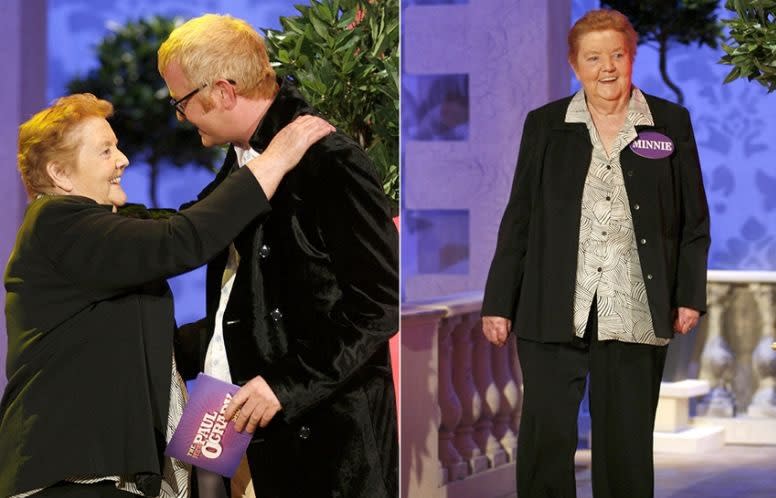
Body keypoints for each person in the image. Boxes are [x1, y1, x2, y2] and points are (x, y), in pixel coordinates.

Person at [0, 93, 333, 498]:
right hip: (71, 477)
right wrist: (275, 158)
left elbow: (149, 344)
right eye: (106, 151)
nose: (122, 160)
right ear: (60, 174)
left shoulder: (91, 247)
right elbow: (183, 238)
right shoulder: (57, 222)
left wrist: (252, 333)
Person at [157, 13, 399, 498]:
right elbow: (195, 227)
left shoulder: (330, 161)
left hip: (327, 437)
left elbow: (378, 304)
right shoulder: (247, 155)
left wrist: (284, 386)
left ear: (223, 92)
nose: (179, 117)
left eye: (181, 103)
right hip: (250, 429)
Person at [481, 9, 710, 498]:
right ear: (574, 65)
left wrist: (688, 294)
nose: (607, 67)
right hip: (550, 307)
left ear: (631, 57)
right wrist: (499, 301)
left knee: (625, 450)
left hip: (635, 309)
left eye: (617, 55)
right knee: (546, 442)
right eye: (593, 58)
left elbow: (694, 221)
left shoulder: (669, 123)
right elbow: (518, 217)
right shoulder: (545, 125)